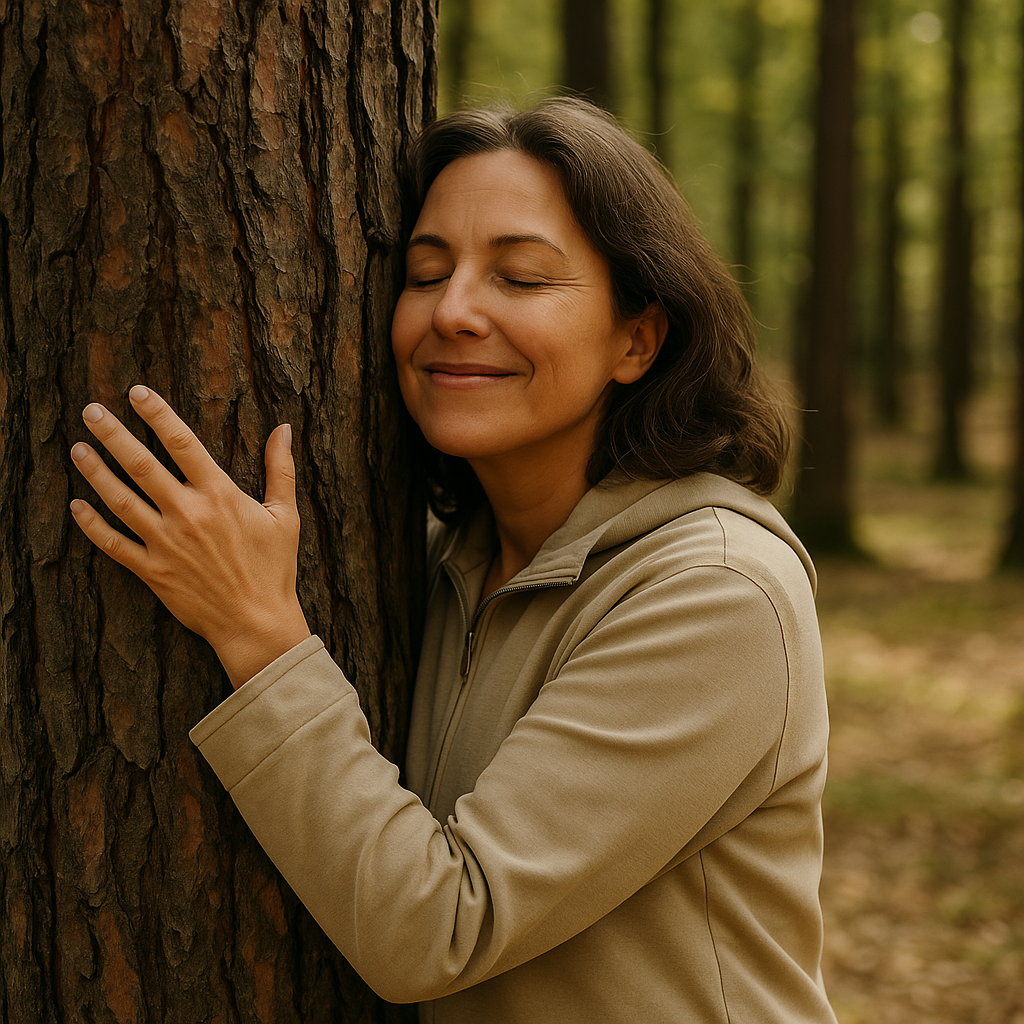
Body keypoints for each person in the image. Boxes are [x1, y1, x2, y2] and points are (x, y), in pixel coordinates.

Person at [69, 98, 838, 1024]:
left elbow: (436, 928)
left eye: (522, 277)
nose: (455, 311)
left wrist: (255, 630)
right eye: (426, 273)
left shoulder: (717, 592)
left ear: (637, 339)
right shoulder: (453, 563)